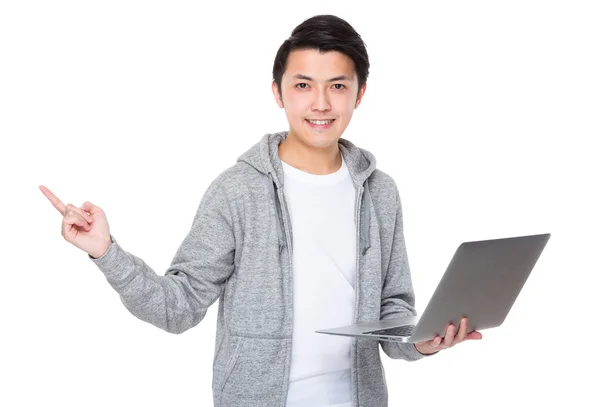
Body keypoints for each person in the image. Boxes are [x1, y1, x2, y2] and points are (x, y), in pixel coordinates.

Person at [40, 14, 482, 407]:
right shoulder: (237, 191)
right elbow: (177, 308)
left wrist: (424, 342)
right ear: (279, 92)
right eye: (304, 85)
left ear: (359, 94)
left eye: (338, 86)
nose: (321, 103)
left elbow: (393, 318)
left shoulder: (380, 192)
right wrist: (106, 252)